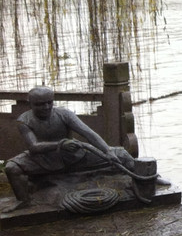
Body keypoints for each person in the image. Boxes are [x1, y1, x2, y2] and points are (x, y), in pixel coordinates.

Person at [4, 85, 138, 207]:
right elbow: (33, 146)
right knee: (11, 168)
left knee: (121, 154)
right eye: (40, 104)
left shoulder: (64, 114)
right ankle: (24, 202)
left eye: (49, 102)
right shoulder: (24, 120)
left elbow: (88, 133)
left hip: (73, 155)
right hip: (42, 159)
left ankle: (146, 180)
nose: (46, 107)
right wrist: (60, 144)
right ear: (31, 104)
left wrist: (107, 150)